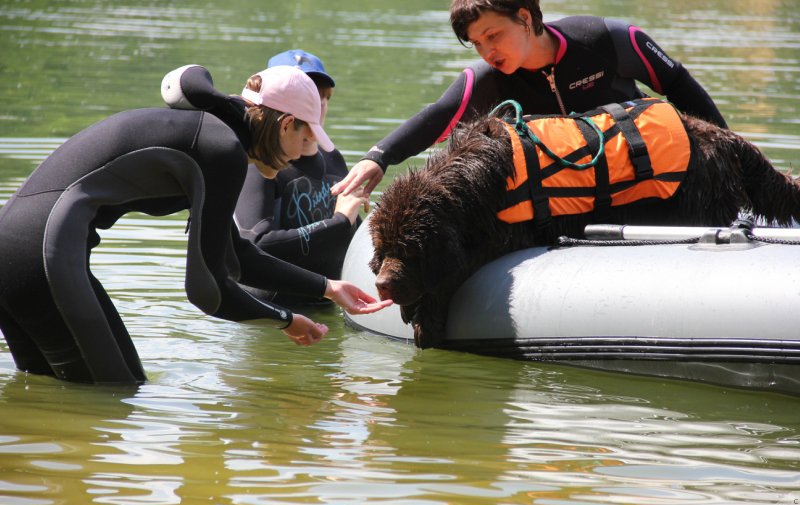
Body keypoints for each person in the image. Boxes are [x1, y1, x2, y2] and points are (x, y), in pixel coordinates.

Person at [0, 64, 391, 385]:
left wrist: (328, 288)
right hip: (43, 254)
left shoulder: (211, 136)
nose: (305, 154)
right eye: (307, 139)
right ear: (286, 124)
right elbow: (206, 290)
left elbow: (235, 255)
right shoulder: (222, 149)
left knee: (43, 394)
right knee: (113, 398)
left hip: (21, 251)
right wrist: (283, 319)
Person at [332, 0, 728, 198]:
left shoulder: (608, 40)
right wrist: (378, 157)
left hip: (642, 177)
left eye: (493, 35)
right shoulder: (489, 79)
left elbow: (678, 83)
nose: (486, 51)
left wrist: (730, 157)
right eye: (476, 43)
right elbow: (440, 115)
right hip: (567, 196)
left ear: (525, 18)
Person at [233, 50, 362, 306]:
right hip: (269, 313)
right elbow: (254, 243)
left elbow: (347, 232)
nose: (317, 105)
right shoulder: (260, 162)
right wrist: (338, 223)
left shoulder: (333, 157)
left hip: (328, 303)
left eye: (323, 96)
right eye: (308, 94)